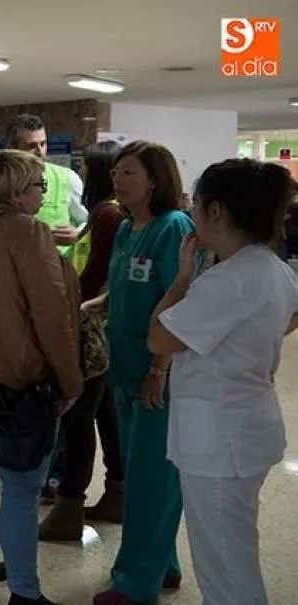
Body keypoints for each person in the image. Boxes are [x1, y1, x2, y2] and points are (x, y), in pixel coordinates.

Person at [148, 159, 298, 605]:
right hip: (247, 426)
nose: (192, 216)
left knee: (225, 567)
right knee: (234, 550)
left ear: (215, 212)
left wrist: (179, 280)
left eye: (196, 207)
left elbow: (158, 338)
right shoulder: (272, 268)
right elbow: (289, 316)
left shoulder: (225, 282)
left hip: (220, 441)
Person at [0, 149, 82, 605]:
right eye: (39, 187)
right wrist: (71, 379)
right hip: (21, 378)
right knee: (23, 486)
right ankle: (25, 592)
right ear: (23, 190)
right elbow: (51, 317)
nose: (42, 195)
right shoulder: (29, 233)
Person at [90, 141, 194, 605]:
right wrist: (95, 305)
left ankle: (135, 583)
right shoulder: (129, 227)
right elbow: (123, 285)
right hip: (125, 368)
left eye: (128, 172)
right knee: (143, 473)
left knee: (153, 479)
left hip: (157, 373)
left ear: (155, 179)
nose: (118, 179)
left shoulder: (173, 228)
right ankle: (163, 566)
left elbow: (180, 299)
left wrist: (159, 367)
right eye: (116, 172)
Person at [38, 141, 126, 540]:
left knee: (79, 417)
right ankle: (116, 491)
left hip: (90, 327)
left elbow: (95, 271)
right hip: (95, 323)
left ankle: (70, 503)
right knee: (103, 412)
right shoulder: (104, 214)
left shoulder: (108, 213)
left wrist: (66, 302)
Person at [0, 114, 87, 250]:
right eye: (32, 146)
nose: (40, 151)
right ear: (13, 147)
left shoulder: (67, 178)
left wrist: (78, 233)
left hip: (56, 264)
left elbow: (88, 220)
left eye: (43, 144)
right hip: (7, 264)